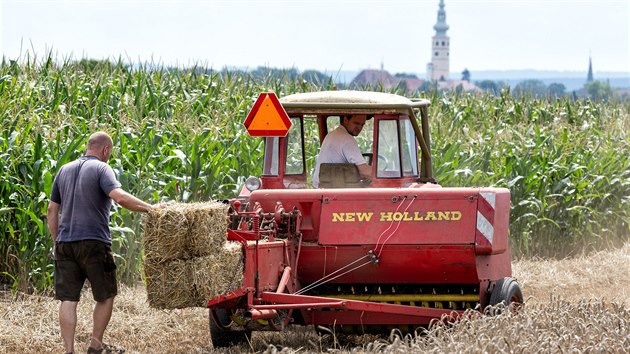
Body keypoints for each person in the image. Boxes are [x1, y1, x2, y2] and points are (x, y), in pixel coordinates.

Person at [47, 132, 154, 354]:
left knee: (68, 299)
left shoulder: (63, 170)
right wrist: (151, 208)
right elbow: (120, 197)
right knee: (106, 295)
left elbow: (52, 210)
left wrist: (56, 241)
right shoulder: (102, 169)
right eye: (110, 153)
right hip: (94, 242)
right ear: (106, 150)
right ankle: (96, 345)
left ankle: (68, 351)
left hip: (65, 243)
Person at [312, 114, 371, 188]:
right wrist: (382, 174)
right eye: (356, 123)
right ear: (346, 120)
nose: (359, 127)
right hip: (331, 191)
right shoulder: (347, 139)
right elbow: (363, 171)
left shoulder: (332, 134)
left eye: (362, 124)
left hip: (320, 187)